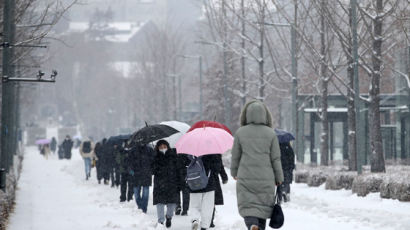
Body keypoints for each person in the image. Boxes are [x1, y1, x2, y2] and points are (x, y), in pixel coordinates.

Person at [231, 100, 284, 230]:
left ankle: (252, 225)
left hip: (246, 175)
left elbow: (235, 156)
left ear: (247, 115)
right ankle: (258, 226)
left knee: (249, 207)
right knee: (262, 208)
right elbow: (276, 158)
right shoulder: (271, 133)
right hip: (266, 177)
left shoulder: (240, 132)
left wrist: (234, 172)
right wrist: (279, 178)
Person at [152, 140, 180, 228]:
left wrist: (179, 181)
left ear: (167, 147)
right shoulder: (155, 156)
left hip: (171, 183)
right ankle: (160, 221)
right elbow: (152, 170)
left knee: (171, 203)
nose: (163, 148)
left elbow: (178, 169)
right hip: (159, 184)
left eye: (164, 146)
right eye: (161, 147)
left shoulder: (173, 156)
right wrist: (155, 162)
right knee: (159, 203)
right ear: (157, 148)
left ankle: (169, 217)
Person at [189, 154, 221, 230]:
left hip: (194, 183)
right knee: (207, 207)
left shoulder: (190, 153)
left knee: (194, 205)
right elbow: (217, 169)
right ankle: (204, 226)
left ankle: (195, 219)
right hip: (209, 184)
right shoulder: (213, 153)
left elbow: (184, 167)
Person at [129, 143, 155, 213]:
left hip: (146, 174)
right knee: (136, 194)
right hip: (136, 174)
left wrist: (151, 170)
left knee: (145, 194)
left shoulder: (149, 150)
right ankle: (140, 207)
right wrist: (131, 170)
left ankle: (143, 209)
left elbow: (153, 161)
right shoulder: (133, 150)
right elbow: (129, 161)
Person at [210, 155, 228, 228]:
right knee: (211, 202)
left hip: (202, 180)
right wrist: (224, 177)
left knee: (206, 202)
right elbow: (220, 167)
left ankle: (207, 219)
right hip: (214, 180)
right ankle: (210, 220)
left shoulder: (199, 152)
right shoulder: (216, 154)